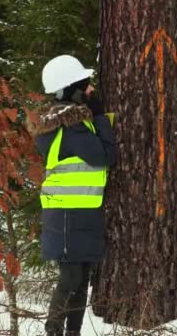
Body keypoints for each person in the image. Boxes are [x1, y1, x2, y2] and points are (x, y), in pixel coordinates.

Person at [26, 55, 116, 336]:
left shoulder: (68, 125)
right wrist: (100, 116)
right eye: (85, 85)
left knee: (81, 279)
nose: (91, 89)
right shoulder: (71, 128)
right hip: (68, 215)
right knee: (72, 278)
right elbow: (105, 155)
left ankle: (72, 333)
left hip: (80, 213)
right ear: (72, 91)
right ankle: (53, 330)